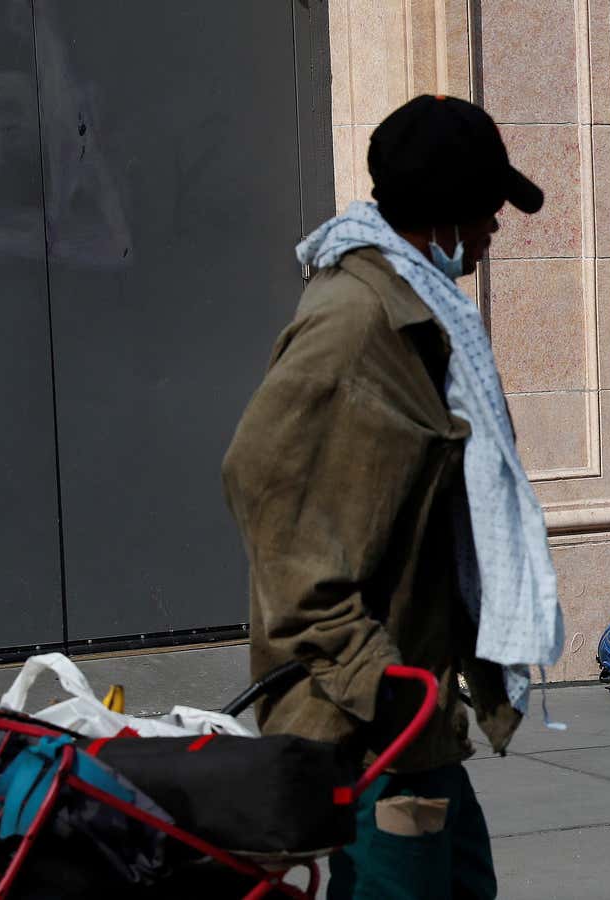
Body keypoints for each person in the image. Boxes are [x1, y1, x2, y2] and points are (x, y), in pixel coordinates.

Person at [222, 95, 558, 900]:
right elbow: (260, 479)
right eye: (486, 209)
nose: (495, 228)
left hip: (413, 709)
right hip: (364, 719)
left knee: (465, 883)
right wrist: (373, 675)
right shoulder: (357, 318)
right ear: (442, 216)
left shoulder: (421, 310)